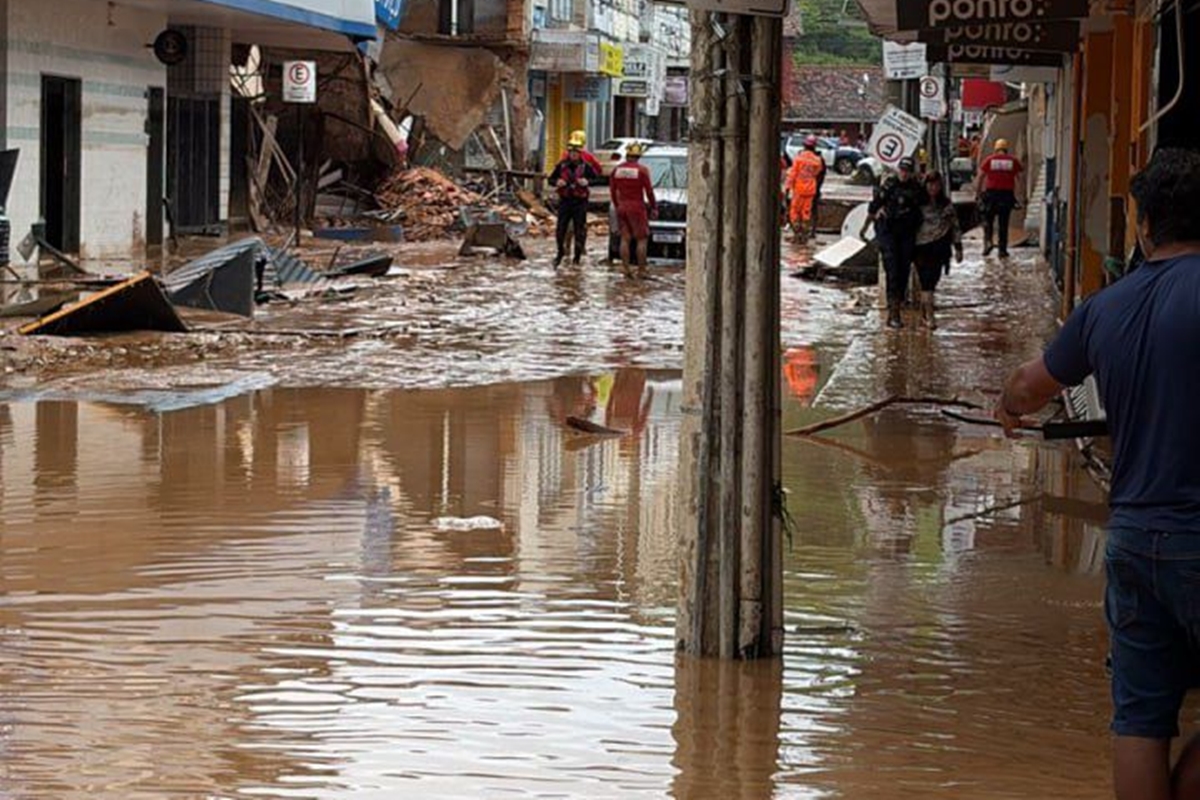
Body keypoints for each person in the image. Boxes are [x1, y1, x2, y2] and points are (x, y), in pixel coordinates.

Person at [994, 148, 1200, 800]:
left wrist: (1008, 406)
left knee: (1139, 720)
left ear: (1143, 224)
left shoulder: (1103, 309)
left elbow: (1029, 386)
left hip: (1133, 539)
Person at [867, 156, 926, 329]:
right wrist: (866, 228)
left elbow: (927, 208)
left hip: (907, 234)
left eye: (907, 171)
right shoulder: (890, 185)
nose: (904, 174)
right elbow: (873, 207)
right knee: (892, 270)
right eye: (902, 170)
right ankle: (894, 313)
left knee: (903, 271)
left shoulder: (917, 189)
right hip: (889, 232)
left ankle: (898, 305)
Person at [912, 172, 963, 330]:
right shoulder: (917, 203)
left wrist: (958, 247)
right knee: (926, 282)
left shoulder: (946, 204)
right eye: (930, 184)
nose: (933, 188)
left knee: (933, 281)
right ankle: (930, 316)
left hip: (940, 248)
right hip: (921, 247)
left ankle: (924, 314)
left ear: (940, 186)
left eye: (936, 185)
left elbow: (955, 226)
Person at [608, 141, 658, 278]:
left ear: (627, 155)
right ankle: (641, 270)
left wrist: (617, 205)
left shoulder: (617, 170)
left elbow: (612, 191)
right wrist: (654, 207)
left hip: (622, 206)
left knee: (625, 238)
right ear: (638, 156)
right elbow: (649, 191)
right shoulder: (642, 170)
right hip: (637, 207)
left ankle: (626, 269)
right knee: (642, 239)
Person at [548, 139, 599, 267]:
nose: (573, 155)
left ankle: (577, 258)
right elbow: (551, 180)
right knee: (561, 229)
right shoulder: (561, 166)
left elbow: (596, 179)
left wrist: (587, 182)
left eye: (576, 153)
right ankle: (560, 253)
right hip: (565, 201)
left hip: (580, 202)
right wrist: (557, 182)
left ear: (580, 153)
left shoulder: (586, 167)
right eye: (571, 152)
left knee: (579, 230)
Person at [975, 138, 1024, 258]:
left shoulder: (989, 160)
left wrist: (978, 193)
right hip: (1006, 195)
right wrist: (1020, 196)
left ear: (996, 149)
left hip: (991, 195)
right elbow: (1020, 179)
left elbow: (980, 177)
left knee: (988, 221)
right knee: (1003, 223)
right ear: (1006, 149)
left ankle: (988, 243)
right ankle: (1002, 250)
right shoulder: (1013, 161)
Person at [786, 135, 826, 243]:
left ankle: (797, 235)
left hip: (799, 189)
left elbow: (793, 174)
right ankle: (804, 236)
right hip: (810, 189)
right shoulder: (817, 160)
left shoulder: (799, 158)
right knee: (806, 213)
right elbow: (817, 172)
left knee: (795, 212)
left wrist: (788, 187)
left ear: (804, 145)